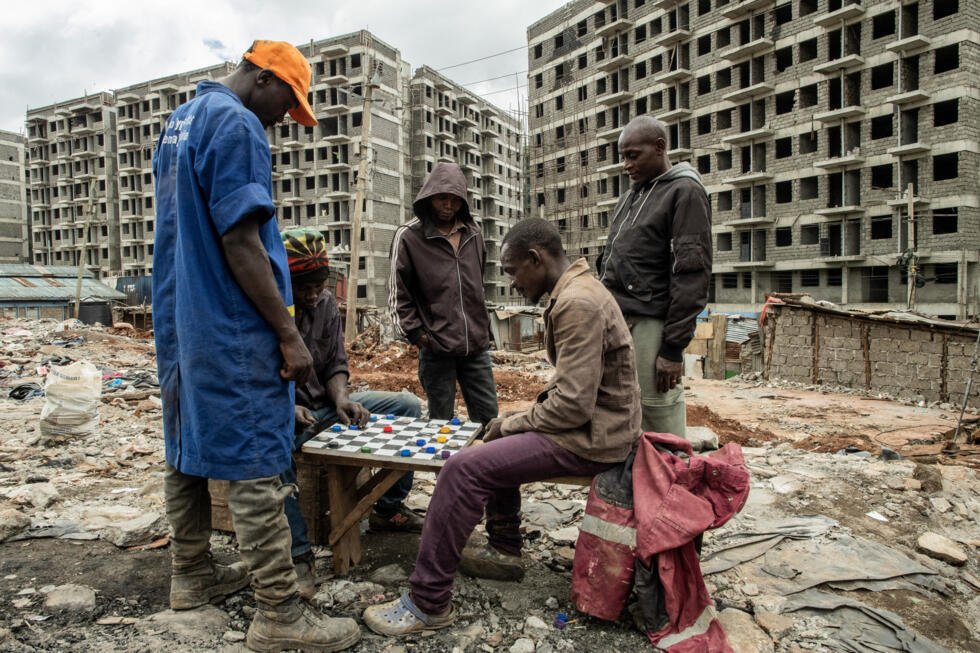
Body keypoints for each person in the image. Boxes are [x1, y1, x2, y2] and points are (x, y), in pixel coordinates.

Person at [152, 40, 360, 652]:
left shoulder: (179, 120)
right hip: (230, 321)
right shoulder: (238, 123)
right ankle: (279, 614)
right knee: (252, 457)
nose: (282, 119)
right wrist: (289, 335)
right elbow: (242, 239)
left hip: (180, 320)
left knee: (184, 443)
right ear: (263, 78)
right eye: (286, 103)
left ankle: (189, 576)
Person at [363, 218, 641, 636]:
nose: (511, 283)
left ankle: (427, 603)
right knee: (497, 437)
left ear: (535, 258)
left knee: (464, 467)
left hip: (595, 438)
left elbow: (573, 406)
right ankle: (506, 550)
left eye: (512, 271)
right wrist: (510, 425)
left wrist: (513, 423)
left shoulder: (577, 303)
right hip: (598, 427)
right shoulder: (577, 291)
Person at [279, 227, 424, 598]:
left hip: (325, 406)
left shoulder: (326, 303)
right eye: (304, 288)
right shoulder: (272, 307)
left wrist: (343, 398)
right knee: (276, 459)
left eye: (319, 285)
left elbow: (335, 365)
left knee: (407, 406)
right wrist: (288, 405)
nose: (313, 295)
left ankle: (388, 509)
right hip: (284, 414)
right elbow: (255, 377)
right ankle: (299, 558)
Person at [599, 115, 712, 441]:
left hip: (652, 324)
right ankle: (628, 486)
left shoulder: (684, 192)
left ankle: (669, 484)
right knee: (617, 406)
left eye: (633, 155)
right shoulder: (632, 196)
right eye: (623, 156)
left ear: (660, 148)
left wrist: (672, 350)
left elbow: (691, 275)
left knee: (657, 408)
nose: (626, 165)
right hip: (618, 320)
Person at [388, 162, 498, 426]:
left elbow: (477, 287)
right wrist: (418, 335)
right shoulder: (408, 237)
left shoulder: (474, 234)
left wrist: (483, 329)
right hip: (436, 348)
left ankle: (484, 467)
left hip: (475, 347)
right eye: (441, 199)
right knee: (440, 424)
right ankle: (444, 469)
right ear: (429, 197)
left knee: (488, 420)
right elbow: (397, 294)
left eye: (454, 200)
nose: (448, 206)